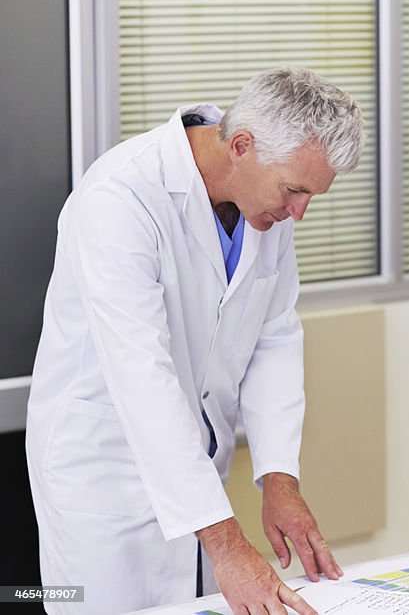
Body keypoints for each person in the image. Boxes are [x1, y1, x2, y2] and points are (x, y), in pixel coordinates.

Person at [26, 66, 364, 615]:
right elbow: (143, 378)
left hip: (196, 475)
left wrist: (279, 477)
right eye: (294, 190)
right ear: (242, 145)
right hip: (104, 477)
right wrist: (228, 543)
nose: (298, 212)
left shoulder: (264, 211)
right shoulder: (120, 198)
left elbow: (274, 336)